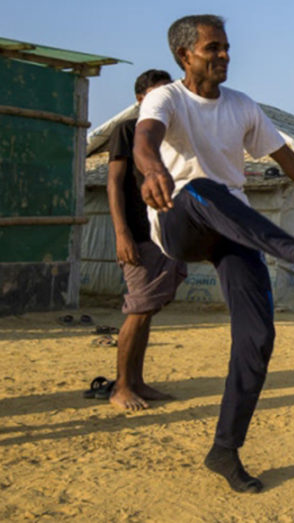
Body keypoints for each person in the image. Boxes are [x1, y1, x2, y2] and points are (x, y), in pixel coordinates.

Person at [134, 14, 294, 494]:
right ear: (184, 56)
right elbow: (145, 139)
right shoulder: (166, 97)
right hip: (181, 219)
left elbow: (291, 163)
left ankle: (224, 449)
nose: (224, 55)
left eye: (226, 47)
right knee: (200, 187)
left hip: (232, 227)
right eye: (212, 48)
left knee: (258, 339)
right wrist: (153, 168)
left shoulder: (242, 106)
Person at [106, 69, 188, 411]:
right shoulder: (126, 131)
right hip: (138, 234)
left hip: (165, 234)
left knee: (148, 311)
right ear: (141, 99)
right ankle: (121, 387)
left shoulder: (170, 136)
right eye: (155, 94)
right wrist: (121, 232)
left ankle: (137, 381)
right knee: (138, 310)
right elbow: (113, 183)